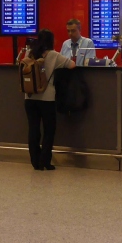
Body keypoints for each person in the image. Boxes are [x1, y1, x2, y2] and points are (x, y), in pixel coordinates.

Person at [23, 29, 74, 170]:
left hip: (29, 97)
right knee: (49, 130)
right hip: (47, 99)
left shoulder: (29, 53)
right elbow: (72, 65)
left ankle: (35, 161)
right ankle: (44, 161)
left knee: (33, 129)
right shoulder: (53, 55)